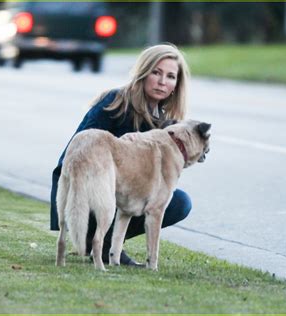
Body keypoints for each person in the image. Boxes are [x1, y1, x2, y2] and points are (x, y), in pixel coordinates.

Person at [50, 43, 192, 266]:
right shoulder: (115, 101)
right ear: (143, 73)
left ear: (176, 85)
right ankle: (99, 242)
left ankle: (108, 245)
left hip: (120, 192)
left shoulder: (166, 123)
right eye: (156, 72)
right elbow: (78, 149)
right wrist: (121, 143)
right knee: (121, 186)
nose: (163, 81)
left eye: (170, 76)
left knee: (179, 201)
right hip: (83, 187)